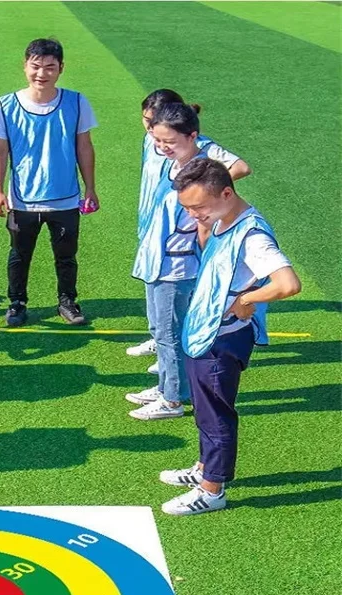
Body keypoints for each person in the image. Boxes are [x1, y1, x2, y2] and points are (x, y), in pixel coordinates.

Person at [160, 158, 301, 515]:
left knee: (216, 415)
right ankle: (206, 469)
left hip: (222, 340)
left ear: (226, 192)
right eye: (188, 208)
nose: (193, 215)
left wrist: (247, 299)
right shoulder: (223, 218)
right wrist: (207, 223)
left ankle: (212, 491)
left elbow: (287, 284)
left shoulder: (252, 235)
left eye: (199, 207)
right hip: (205, 333)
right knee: (204, 410)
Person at [126, 89, 251, 371]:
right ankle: (163, 346)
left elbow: (240, 166)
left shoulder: (197, 149)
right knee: (162, 309)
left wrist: (202, 189)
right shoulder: (154, 141)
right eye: (147, 123)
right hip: (154, 223)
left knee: (177, 307)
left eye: (156, 127)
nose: (151, 133)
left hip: (179, 241)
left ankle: (176, 371)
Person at [0, 37, 98, 328]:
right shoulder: (5, 105)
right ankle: (17, 303)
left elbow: (84, 146)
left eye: (50, 67)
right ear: (25, 66)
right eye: (36, 66)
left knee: (66, 256)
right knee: (19, 255)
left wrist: (90, 188)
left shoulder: (76, 101)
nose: (42, 74)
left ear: (61, 68)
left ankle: (68, 301)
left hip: (66, 197)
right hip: (23, 199)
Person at [126, 102, 213, 420]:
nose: (162, 147)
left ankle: (173, 398)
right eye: (158, 141)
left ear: (192, 137)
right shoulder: (174, 164)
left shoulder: (200, 173)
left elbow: (205, 225)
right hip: (157, 262)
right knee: (159, 327)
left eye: (170, 142)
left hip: (175, 267)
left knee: (169, 332)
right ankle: (167, 385)